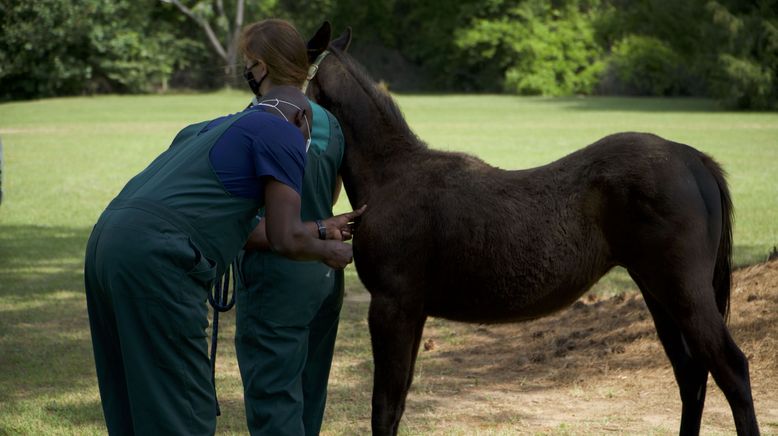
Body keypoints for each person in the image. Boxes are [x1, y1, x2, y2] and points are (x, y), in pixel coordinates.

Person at [83, 24, 364, 434]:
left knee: (133, 401)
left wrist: (319, 227)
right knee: (184, 410)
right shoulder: (288, 128)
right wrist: (330, 250)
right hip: (161, 257)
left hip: (108, 242)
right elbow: (285, 236)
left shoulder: (208, 127)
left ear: (258, 69)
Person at [233, 19, 349, 435]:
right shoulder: (330, 126)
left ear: (262, 66)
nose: (247, 71)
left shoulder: (252, 123)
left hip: (275, 284)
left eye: (249, 63)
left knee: (275, 408)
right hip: (322, 283)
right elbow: (329, 197)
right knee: (309, 399)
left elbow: (245, 222)